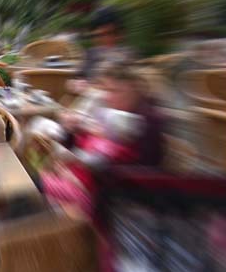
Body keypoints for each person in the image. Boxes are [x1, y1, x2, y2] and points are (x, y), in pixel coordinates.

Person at [42, 62, 165, 219]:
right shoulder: (111, 114)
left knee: (30, 187)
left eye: (115, 90)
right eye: (106, 90)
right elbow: (81, 144)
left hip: (102, 197)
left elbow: (141, 170)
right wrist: (71, 130)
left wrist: (80, 169)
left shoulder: (146, 121)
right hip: (78, 179)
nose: (108, 97)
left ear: (134, 87)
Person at [68, 6, 135, 95]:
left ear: (120, 34)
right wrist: (75, 84)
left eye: (109, 33)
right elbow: (75, 79)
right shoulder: (91, 53)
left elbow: (122, 91)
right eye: (99, 35)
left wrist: (91, 87)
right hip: (89, 104)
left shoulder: (127, 56)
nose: (105, 39)